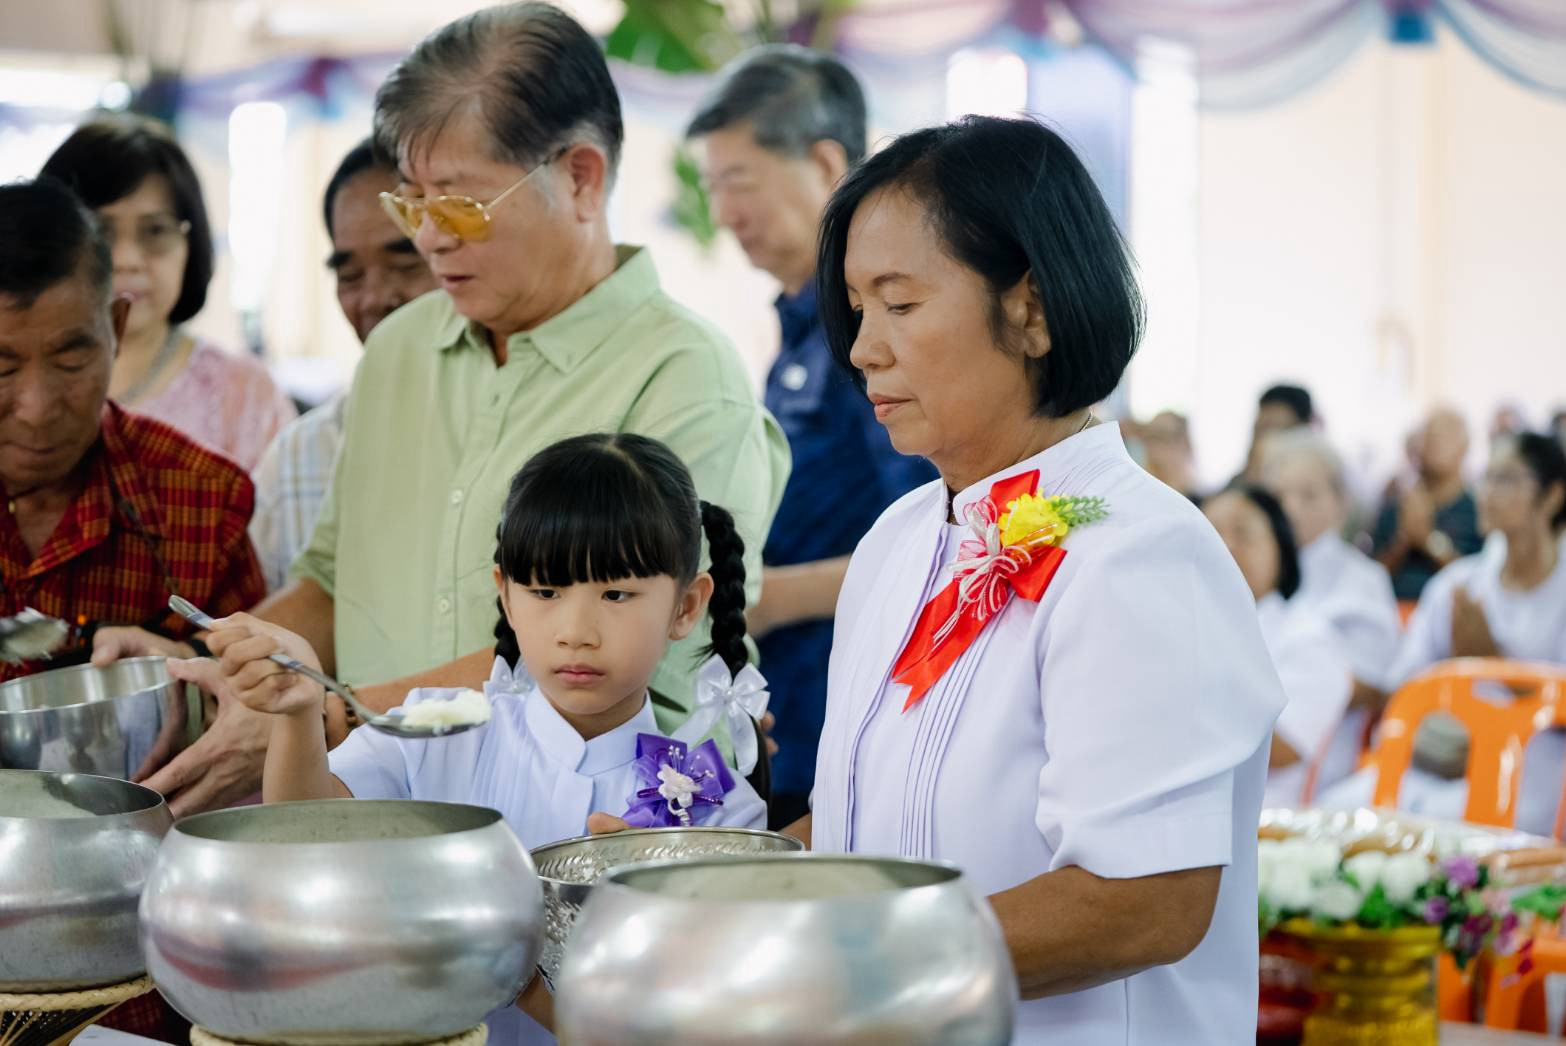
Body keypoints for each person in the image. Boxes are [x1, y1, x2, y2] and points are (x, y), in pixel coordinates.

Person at [93, 2, 789, 818]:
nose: (429, 239)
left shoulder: (685, 376)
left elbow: (646, 676)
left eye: (458, 206)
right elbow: (332, 579)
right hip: (370, 818)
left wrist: (339, 709)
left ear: (581, 177)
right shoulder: (402, 348)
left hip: (577, 837)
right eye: (409, 204)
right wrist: (212, 666)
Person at [799, 116, 1285, 1043]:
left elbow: (1146, 901)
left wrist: (851, 954)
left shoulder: (1142, 557)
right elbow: (862, 825)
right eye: (856, 307)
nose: (862, 348)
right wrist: (698, 877)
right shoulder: (901, 542)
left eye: (899, 304)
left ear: (1032, 308)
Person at [209, 433, 765, 1044]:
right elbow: (305, 838)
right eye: (546, 593)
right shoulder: (441, 733)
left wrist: (541, 955)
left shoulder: (713, 807)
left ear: (686, 606)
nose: (576, 631)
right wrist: (296, 715)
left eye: (616, 594)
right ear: (505, 591)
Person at [686, 44, 936, 827]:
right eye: (711, 184)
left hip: (853, 703)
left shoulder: (870, 337)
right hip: (783, 708)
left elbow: (934, 533)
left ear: (827, 163)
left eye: (740, 180)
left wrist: (755, 597)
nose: (723, 211)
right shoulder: (800, 327)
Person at [0, 178, 266, 683]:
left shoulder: (204, 503)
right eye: (2, 367)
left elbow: (254, 710)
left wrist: (192, 662)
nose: (36, 409)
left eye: (71, 358)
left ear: (116, 327)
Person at [1321, 433, 1566, 836]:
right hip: (1439, 762)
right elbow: (1405, 687)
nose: (1486, 493)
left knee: (1457, 831)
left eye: (1506, 479)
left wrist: (1493, 666)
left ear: (1553, 496)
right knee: (1337, 815)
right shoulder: (1459, 584)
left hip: (1531, 771)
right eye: (1486, 478)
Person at [40, 115, 296, 470]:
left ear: (190, 245)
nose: (128, 259)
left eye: (155, 231)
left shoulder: (245, 395)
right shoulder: (17, 386)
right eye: (100, 231)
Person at [249, 140, 437, 591]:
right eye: (350, 275)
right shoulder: (298, 460)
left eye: (405, 263)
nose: (374, 298)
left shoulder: (521, 430)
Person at [1204, 486, 1353, 808]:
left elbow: (1279, 750)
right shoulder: (1185, 622)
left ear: (1281, 548)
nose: (1226, 545)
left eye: (1243, 533)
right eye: (1211, 532)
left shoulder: (1311, 639)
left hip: (1262, 817)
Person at [1372, 407, 1484, 601]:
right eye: (1428, 437)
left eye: (1444, 436)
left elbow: (1481, 582)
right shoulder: (1397, 504)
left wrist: (1428, 541)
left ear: (1464, 447)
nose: (1433, 444)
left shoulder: (1480, 509)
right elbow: (1372, 575)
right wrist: (1403, 541)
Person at [1232, 384, 1313, 488]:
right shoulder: (1239, 487)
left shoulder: (1319, 481)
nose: (1262, 441)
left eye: (1275, 431)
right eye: (1258, 429)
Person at [1137, 408, 1200, 501]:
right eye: (1149, 437)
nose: (1154, 447)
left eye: (1161, 437)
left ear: (1184, 444)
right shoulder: (1139, 495)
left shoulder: (1204, 504)